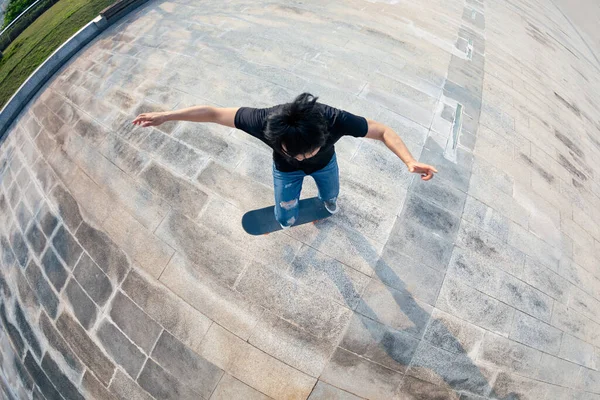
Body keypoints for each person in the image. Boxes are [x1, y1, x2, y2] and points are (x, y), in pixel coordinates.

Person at [132, 93, 438, 229]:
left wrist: (409, 161)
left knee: (331, 195)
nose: (304, 156)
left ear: (323, 134)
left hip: (327, 165)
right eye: (298, 152)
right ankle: (290, 207)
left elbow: (382, 130)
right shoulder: (262, 121)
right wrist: (165, 116)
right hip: (285, 173)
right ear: (277, 140)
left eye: (309, 150)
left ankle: (325, 205)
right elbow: (213, 113)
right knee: (284, 212)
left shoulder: (334, 119)